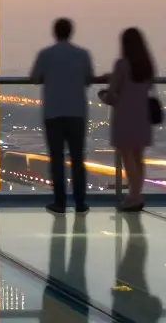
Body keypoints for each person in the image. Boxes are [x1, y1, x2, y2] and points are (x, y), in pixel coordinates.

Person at [29, 18, 95, 214]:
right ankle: (80, 202)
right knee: (77, 159)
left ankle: (60, 203)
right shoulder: (83, 54)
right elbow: (89, 79)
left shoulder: (46, 54)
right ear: (71, 32)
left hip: (54, 113)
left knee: (57, 159)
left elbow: (34, 78)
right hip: (77, 113)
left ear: (55, 33)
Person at [99, 27, 156, 212]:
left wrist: (103, 94)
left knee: (127, 158)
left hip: (124, 116)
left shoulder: (122, 64)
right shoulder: (147, 66)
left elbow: (113, 94)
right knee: (139, 158)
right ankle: (137, 196)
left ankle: (133, 198)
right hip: (142, 116)